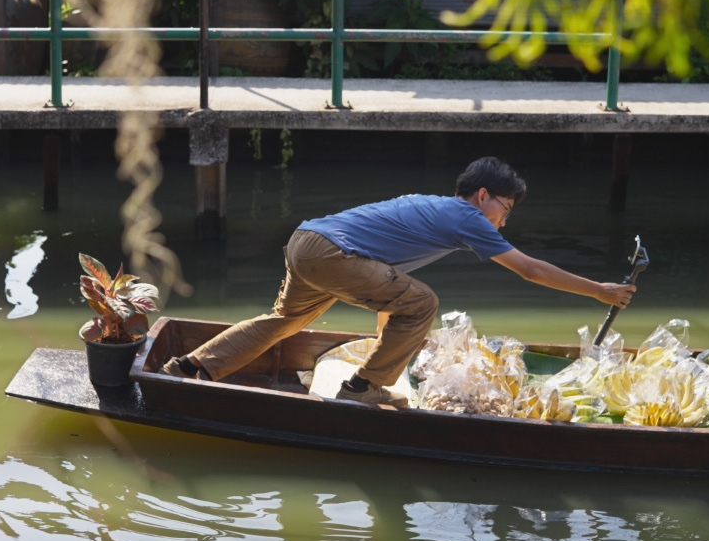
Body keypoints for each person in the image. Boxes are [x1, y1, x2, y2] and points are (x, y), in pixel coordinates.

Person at [161, 157, 637, 406]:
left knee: (284, 321)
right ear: (483, 195)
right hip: (332, 253)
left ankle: (190, 367)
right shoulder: (467, 216)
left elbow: (387, 289)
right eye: (505, 209)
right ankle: (362, 389)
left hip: (305, 242)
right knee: (422, 303)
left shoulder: (432, 207)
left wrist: (391, 344)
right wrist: (599, 290)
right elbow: (530, 269)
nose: (503, 222)